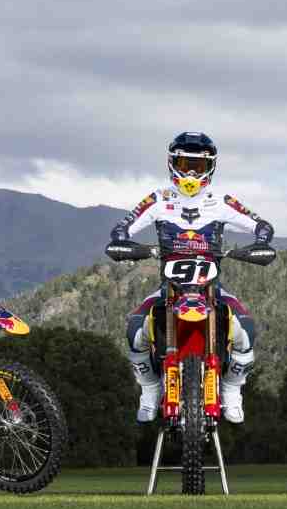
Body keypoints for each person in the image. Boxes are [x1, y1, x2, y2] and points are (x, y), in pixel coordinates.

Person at [107, 132, 274, 424]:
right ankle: (149, 390)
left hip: (211, 288)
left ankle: (232, 389)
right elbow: (123, 227)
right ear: (172, 164)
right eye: (185, 164)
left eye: (198, 166)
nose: (192, 173)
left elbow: (262, 225)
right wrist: (124, 242)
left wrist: (260, 242)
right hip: (170, 288)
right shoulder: (158, 199)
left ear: (211, 167)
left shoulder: (221, 201)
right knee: (135, 329)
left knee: (245, 329)